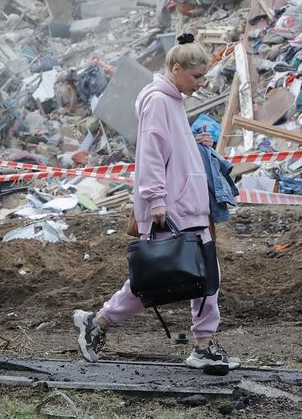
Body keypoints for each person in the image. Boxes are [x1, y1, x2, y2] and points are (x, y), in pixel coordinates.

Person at [73, 35, 240, 372]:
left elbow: (169, 148)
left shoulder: (173, 100)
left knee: (204, 277)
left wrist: (192, 142)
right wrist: (155, 200)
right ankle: (99, 322)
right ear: (176, 70)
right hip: (172, 208)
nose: (201, 83)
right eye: (196, 76)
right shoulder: (158, 102)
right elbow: (150, 154)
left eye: (205, 76)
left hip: (187, 205)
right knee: (156, 278)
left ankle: (203, 346)